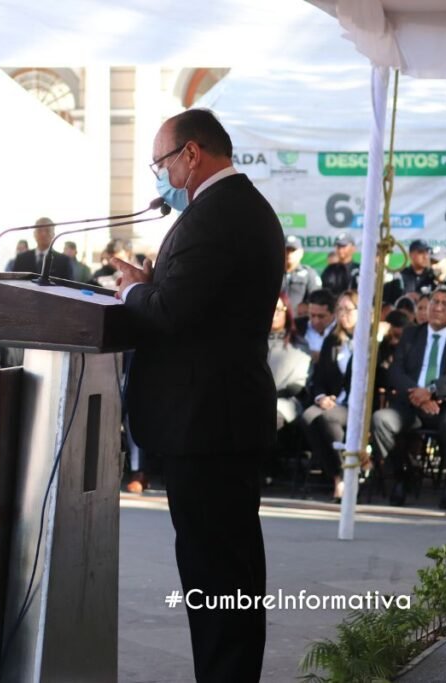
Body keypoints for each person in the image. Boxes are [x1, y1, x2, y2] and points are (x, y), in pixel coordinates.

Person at [114, 108, 282, 682]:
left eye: (160, 162)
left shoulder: (218, 215)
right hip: (216, 419)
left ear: (192, 154)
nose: (158, 175)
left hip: (210, 424)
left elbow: (172, 312)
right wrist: (150, 286)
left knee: (219, 579)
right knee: (224, 575)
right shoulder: (231, 208)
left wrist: (137, 291)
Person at [371, 286, 446, 508]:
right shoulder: (412, 333)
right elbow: (396, 370)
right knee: (381, 420)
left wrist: (432, 391)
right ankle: (403, 474)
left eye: (444, 304)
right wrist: (417, 394)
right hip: (411, 402)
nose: (437, 307)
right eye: (434, 302)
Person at [299, 291, 359, 503]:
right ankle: (334, 472)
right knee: (308, 417)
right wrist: (321, 397)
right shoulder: (333, 340)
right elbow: (321, 378)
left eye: (348, 309)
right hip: (335, 401)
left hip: (357, 403)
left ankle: (344, 477)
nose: (343, 314)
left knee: (328, 419)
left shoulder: (369, 340)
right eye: (340, 309)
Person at [269, 293, 311, 433]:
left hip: (285, 402)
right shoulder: (254, 342)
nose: (274, 314)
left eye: (279, 310)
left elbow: (299, 383)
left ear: (287, 312)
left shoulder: (298, 344)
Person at [383, 239, 434, 304]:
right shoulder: (400, 275)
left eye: (427, 252)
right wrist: (405, 298)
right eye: (421, 252)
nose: (425, 256)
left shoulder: (432, 277)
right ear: (411, 255)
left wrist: (421, 298)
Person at [295, 288, 337, 363]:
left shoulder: (340, 331)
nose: (316, 321)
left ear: (333, 314)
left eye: (321, 316)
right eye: (312, 315)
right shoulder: (297, 327)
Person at [282, 235, 322, 312]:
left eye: (293, 250)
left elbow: (317, 299)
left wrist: (306, 306)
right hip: (276, 319)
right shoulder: (274, 274)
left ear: (301, 253)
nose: (289, 254)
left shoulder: (309, 274)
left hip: (300, 320)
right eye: (287, 250)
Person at [320, 232, 359, 296]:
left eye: (343, 246)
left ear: (353, 248)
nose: (340, 249)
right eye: (338, 246)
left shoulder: (360, 270)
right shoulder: (329, 270)